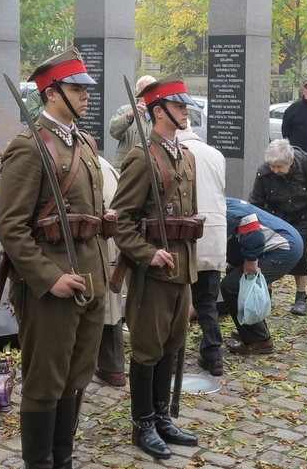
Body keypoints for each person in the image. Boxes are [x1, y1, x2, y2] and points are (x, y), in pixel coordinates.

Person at [0, 47, 109, 469]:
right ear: (50, 93)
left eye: (85, 88)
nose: (85, 96)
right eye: (76, 89)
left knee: (77, 378)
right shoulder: (29, 147)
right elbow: (11, 227)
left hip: (90, 281)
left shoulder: (85, 141)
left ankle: (63, 460)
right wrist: (49, 277)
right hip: (51, 290)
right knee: (46, 384)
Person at [111, 73, 200, 460]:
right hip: (154, 273)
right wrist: (147, 254)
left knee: (172, 345)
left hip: (183, 269)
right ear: (158, 111)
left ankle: (162, 417)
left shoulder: (186, 155)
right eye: (178, 105)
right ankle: (143, 423)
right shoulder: (141, 158)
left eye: (184, 105)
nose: (185, 110)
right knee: (147, 350)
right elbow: (122, 221)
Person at [248, 139, 307, 316]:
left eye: (279, 167)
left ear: (291, 161)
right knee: (266, 251)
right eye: (272, 166)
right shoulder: (264, 172)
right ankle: (267, 295)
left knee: (299, 252)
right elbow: (255, 202)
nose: (274, 170)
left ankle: (301, 297)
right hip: (274, 215)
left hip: (302, 215)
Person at [220, 198, 303, 353]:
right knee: (232, 273)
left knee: (232, 286)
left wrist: (251, 258)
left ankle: (260, 340)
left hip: (284, 248)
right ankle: (251, 329)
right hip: (286, 241)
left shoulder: (224, 210)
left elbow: (250, 225)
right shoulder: (222, 202)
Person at [177, 125, 227, 377]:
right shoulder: (215, 154)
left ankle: (173, 353)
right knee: (207, 300)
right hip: (214, 230)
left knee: (175, 299)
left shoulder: (175, 151)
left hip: (185, 230)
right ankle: (213, 354)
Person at [94, 156, 126, 388]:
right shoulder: (103, 164)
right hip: (111, 238)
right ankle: (113, 366)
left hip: (95, 241)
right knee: (110, 306)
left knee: (104, 304)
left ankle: (110, 367)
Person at [108, 75, 156, 170]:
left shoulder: (161, 113)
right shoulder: (124, 110)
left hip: (153, 168)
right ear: (137, 92)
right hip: (127, 167)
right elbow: (113, 132)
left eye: (150, 89)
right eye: (143, 89)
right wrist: (128, 116)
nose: (146, 92)